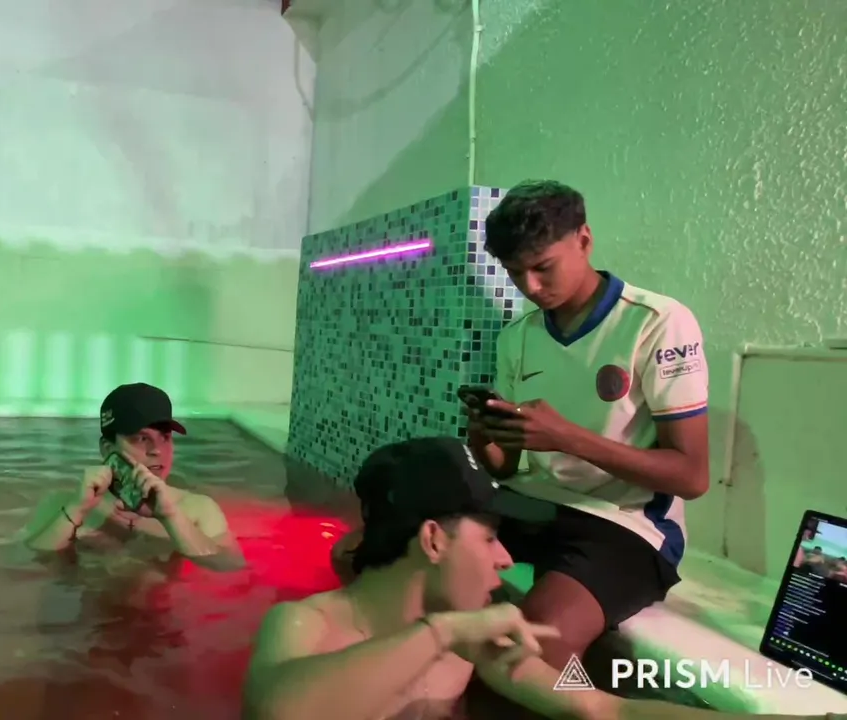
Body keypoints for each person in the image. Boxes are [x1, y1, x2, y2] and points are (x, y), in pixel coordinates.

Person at [247, 438, 840, 720]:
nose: (507, 558)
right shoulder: (302, 625)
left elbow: (603, 710)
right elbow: (278, 714)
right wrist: (441, 634)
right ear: (432, 540)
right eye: (489, 538)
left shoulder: (477, 645)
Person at [466, 179, 711, 670]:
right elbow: (506, 468)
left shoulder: (657, 322)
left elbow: (692, 477)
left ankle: (600, 703)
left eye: (543, 267)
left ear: (584, 239)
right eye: (515, 273)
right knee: (388, 558)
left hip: (625, 523)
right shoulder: (518, 337)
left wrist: (567, 438)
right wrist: (483, 433)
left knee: (534, 649)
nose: (530, 288)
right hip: (534, 503)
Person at [22, 382, 245, 572]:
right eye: (141, 438)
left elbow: (231, 567)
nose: (157, 450)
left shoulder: (197, 509)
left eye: (165, 437)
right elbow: (27, 563)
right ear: (107, 449)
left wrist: (170, 517)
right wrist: (77, 509)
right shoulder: (62, 503)